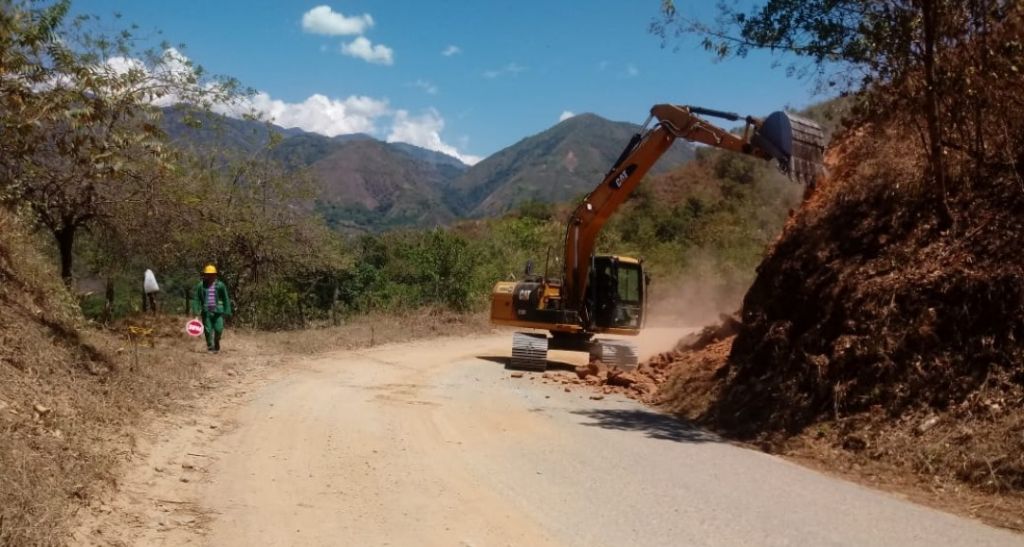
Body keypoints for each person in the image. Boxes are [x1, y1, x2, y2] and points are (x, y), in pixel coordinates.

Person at [191, 264, 232, 353]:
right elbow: (196, 299)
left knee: (219, 329)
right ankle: (210, 347)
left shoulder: (220, 285)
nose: (210, 276)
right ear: (205, 275)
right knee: (208, 330)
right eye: (208, 274)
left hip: (218, 312)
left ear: (215, 275)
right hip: (206, 312)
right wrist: (196, 313)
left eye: (212, 274)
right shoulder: (201, 286)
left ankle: (216, 342)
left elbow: (225, 298)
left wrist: (227, 311)